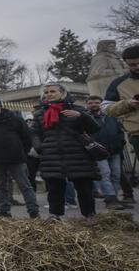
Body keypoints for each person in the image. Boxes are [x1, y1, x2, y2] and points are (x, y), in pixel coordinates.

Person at [31, 83, 101, 223]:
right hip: (52, 155)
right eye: (46, 92)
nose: (49, 94)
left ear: (63, 93)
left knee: (84, 187)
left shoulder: (78, 109)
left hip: (78, 155)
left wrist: (81, 116)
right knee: (55, 188)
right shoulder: (40, 113)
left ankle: (89, 215)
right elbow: (34, 133)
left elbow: (95, 128)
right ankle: (55, 215)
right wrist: (40, 147)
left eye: (52, 91)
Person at [0, 95, 39, 218]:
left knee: (24, 185)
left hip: (15, 159)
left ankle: (33, 211)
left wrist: (21, 151)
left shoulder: (14, 119)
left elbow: (26, 137)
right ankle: (4, 211)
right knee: (0, 186)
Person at [86, 94, 127, 209]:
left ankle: (114, 198)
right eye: (90, 103)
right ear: (87, 105)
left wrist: (121, 142)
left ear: (101, 104)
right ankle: (110, 199)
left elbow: (119, 130)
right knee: (105, 174)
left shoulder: (111, 116)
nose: (93, 105)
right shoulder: (85, 118)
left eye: (96, 102)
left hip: (115, 150)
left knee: (116, 175)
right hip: (99, 152)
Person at [104, 44, 139, 169]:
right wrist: (127, 104)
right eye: (133, 65)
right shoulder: (118, 84)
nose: (137, 67)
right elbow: (106, 109)